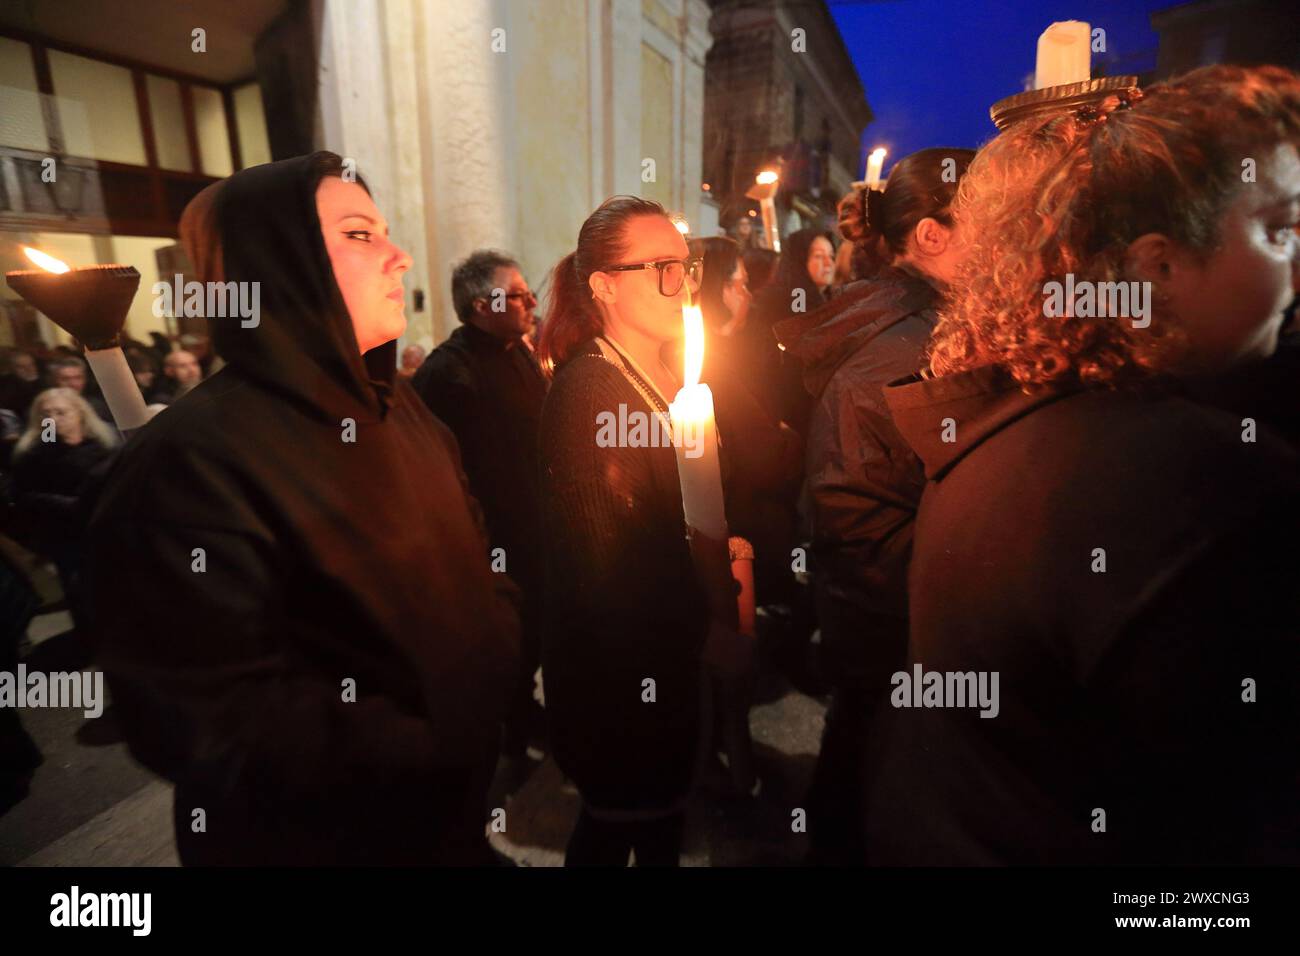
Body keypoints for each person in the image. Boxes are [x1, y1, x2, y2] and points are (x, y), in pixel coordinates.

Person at [866, 65, 1300, 865]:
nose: (1295, 270)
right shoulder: (1202, 485)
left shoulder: (1001, 421)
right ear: (1157, 263)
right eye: (1278, 229)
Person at [84, 151, 519, 866]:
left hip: (450, 827)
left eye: (384, 231)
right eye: (358, 234)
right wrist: (429, 743)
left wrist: (496, 654)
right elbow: (212, 716)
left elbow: (480, 554)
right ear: (277, 264)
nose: (399, 256)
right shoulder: (190, 464)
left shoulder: (405, 411)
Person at [773, 148, 975, 865]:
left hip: (887, 632)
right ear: (931, 233)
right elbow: (857, 515)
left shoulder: (923, 325)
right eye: (992, 219)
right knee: (868, 783)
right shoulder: (906, 349)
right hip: (896, 632)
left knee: (858, 760)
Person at [537, 195, 746, 865]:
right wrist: (708, 614)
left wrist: (716, 545)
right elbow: (611, 576)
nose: (681, 282)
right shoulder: (592, 397)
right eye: (659, 267)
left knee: (655, 825)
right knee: (623, 827)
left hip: (662, 666)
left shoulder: (655, 376)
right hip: (623, 686)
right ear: (602, 287)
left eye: (686, 265)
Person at [412, 249, 549, 770]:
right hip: (490, 544)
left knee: (531, 637)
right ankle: (499, 740)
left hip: (534, 531)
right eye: (515, 294)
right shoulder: (448, 374)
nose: (531, 301)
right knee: (503, 646)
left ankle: (522, 716)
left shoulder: (518, 350)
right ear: (478, 304)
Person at [9, 387, 118, 626]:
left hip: (106, 526)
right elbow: (24, 495)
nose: (53, 419)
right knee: (79, 589)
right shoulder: (36, 452)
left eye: (61, 412)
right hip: (65, 531)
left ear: (79, 413)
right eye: (46, 413)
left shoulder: (102, 443)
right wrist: (69, 504)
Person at [743, 227, 836, 433]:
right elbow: (799, 332)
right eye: (819, 257)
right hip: (789, 408)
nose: (829, 264)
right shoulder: (798, 294)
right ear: (800, 260)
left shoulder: (818, 295)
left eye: (831, 256)